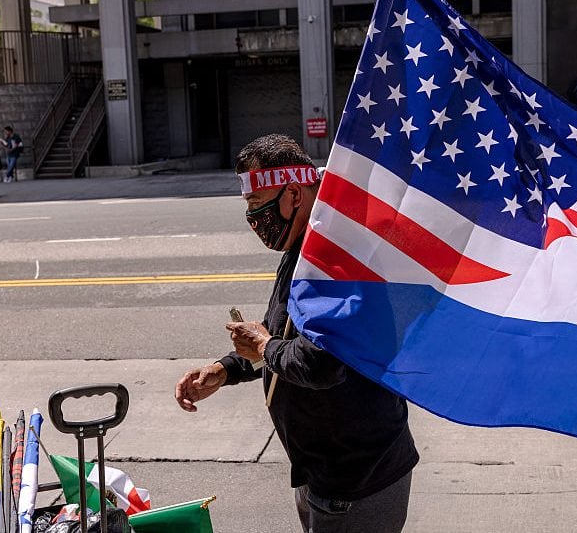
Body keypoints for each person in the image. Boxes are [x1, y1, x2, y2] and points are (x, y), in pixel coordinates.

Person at [174, 134, 418, 533]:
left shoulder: (336, 259)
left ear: (293, 195)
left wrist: (263, 345)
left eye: (257, 204)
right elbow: (281, 334)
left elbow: (318, 362)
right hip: (321, 471)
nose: (253, 218)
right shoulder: (302, 247)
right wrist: (226, 369)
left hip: (354, 482)